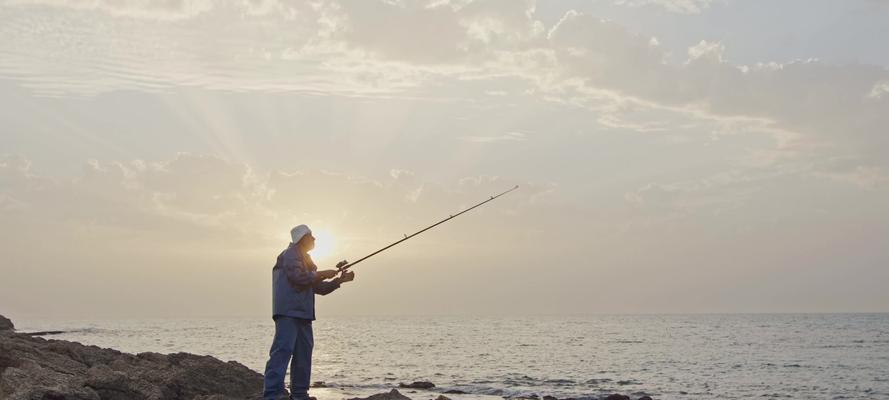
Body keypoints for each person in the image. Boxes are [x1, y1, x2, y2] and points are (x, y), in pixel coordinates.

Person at [263, 224, 355, 400]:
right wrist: (322, 273)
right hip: (288, 312)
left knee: (303, 356)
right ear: (302, 238)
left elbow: (319, 288)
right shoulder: (289, 254)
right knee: (282, 352)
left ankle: (299, 394)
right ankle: (272, 395)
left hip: (304, 314)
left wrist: (339, 281)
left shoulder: (307, 260)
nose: (314, 239)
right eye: (311, 235)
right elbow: (297, 277)